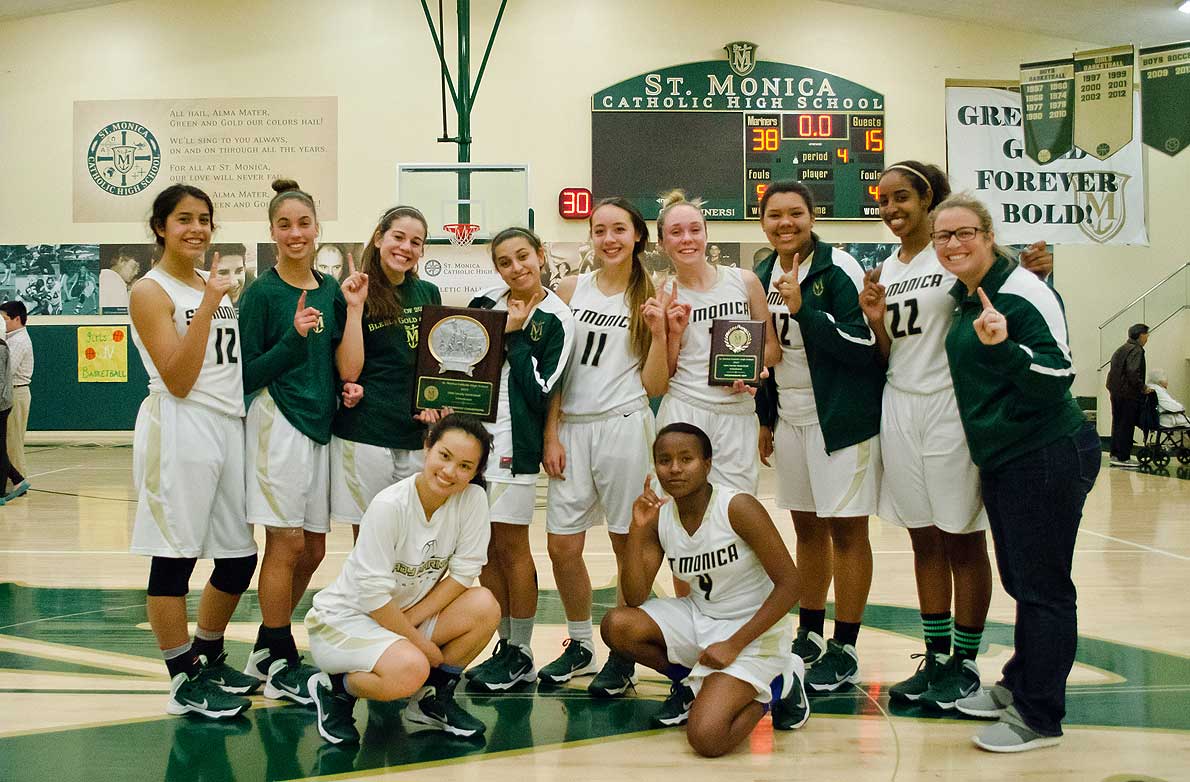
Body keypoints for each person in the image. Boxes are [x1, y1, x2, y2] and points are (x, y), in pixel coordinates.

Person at [932, 193, 1100, 752]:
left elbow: (1058, 375)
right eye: (943, 236)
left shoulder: (1025, 291)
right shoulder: (967, 295)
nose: (953, 244)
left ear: (987, 234)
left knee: (1045, 588)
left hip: (1046, 453)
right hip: (1008, 457)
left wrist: (1003, 349)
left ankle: (1040, 716)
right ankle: (1018, 685)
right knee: (1024, 582)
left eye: (964, 233)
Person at [857, 162, 991, 709]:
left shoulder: (954, 257)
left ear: (927, 197)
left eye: (901, 198)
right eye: (883, 200)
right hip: (900, 403)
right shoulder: (886, 268)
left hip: (950, 406)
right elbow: (892, 352)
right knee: (922, 536)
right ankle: (936, 656)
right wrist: (874, 322)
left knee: (961, 535)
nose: (890, 209)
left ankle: (966, 661)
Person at [127, 184, 260, 719]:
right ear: (160, 227)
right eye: (184, 219)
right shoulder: (150, 291)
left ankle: (207, 653)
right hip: (180, 426)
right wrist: (208, 306)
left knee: (238, 556)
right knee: (175, 556)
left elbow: (230, 365)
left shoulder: (213, 284)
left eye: (205, 220)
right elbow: (179, 379)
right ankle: (181, 676)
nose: (197, 229)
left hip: (228, 425)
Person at [600, 423, 809, 757]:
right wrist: (636, 533)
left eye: (687, 459)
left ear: (707, 464)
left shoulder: (737, 507)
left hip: (752, 631)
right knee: (617, 625)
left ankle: (782, 682)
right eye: (664, 460)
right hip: (700, 618)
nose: (675, 468)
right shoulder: (661, 518)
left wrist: (734, 643)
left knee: (706, 738)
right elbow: (636, 597)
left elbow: (792, 584)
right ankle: (688, 684)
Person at [238, 179, 368, 704]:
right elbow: (245, 373)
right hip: (276, 423)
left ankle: (268, 648)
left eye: (304, 223)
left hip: (321, 427)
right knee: (286, 542)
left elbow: (341, 359)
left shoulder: (332, 290)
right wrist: (292, 335)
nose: (295, 233)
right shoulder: (262, 293)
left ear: (319, 230)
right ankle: (279, 654)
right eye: (284, 224)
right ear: (272, 232)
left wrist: (348, 384)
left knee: (313, 546)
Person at [753, 181, 883, 692]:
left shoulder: (840, 268)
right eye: (775, 216)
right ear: (762, 222)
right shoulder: (763, 273)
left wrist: (805, 309)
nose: (785, 224)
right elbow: (764, 354)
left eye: (795, 214)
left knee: (847, 531)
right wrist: (766, 419)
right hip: (791, 417)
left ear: (812, 216)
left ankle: (845, 645)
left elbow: (863, 343)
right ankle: (809, 630)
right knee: (806, 529)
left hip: (841, 417)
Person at [538, 198, 669, 695]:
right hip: (571, 427)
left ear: (638, 235)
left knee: (627, 545)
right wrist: (551, 433)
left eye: (619, 229)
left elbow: (656, 385)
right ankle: (579, 644)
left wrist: (659, 334)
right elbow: (555, 372)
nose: (609, 238)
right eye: (599, 230)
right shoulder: (570, 290)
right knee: (562, 546)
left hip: (624, 425)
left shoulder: (653, 294)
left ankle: (622, 649)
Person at [305, 414, 500, 745]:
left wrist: (412, 623)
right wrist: (418, 641)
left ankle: (431, 701)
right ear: (427, 448)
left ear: (475, 473)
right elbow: (372, 597)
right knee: (411, 669)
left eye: (466, 466)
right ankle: (336, 688)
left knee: (485, 606)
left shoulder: (473, 501)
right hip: (347, 622)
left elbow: (465, 573)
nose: (451, 471)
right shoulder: (389, 506)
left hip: (400, 615)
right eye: (445, 456)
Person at [464, 227, 576, 693]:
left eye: (523, 257)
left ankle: (524, 652)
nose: (516, 268)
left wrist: (514, 337)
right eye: (505, 262)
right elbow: (458, 360)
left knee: (511, 548)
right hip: (474, 442)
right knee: (487, 547)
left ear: (541, 255)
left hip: (515, 442)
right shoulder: (484, 302)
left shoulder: (557, 319)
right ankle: (505, 644)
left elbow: (543, 391)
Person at [330, 207, 445, 539]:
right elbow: (349, 372)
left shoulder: (428, 293)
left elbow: (433, 364)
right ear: (379, 238)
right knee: (370, 540)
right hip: (366, 433)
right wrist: (354, 308)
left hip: (414, 433)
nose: (406, 248)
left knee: (411, 537)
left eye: (416, 242)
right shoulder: (352, 292)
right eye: (398, 237)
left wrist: (438, 404)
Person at [656, 190, 781, 496]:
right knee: (681, 511)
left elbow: (772, 350)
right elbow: (663, 374)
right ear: (662, 243)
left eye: (695, 230)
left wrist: (754, 372)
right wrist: (672, 335)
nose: (687, 238)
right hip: (686, 409)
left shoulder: (744, 281)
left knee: (735, 511)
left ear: (706, 234)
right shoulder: (662, 295)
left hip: (736, 412)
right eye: (676, 232)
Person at [1106, 323, 1152, 467]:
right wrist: (1142, 387)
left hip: (1115, 392)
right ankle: (1124, 457)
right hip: (1128, 394)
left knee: (1117, 423)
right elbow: (1133, 372)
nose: (1147, 338)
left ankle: (1114, 453)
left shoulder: (1121, 349)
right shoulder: (1136, 350)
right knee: (1127, 424)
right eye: (1147, 335)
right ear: (1141, 335)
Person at [1, 300, 33, 495]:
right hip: (10, 392)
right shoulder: (10, 339)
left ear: (17, 319)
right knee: (6, 440)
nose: (2, 323)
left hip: (16, 392)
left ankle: (18, 481)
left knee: (13, 441)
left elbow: (7, 371)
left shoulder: (19, 341)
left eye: (4, 319)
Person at [0, 330, 27, 504]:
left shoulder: (1, 348)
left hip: (1, 404)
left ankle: (2, 492)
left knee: (1, 447)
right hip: (5, 401)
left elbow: (1, 380)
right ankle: (17, 480)